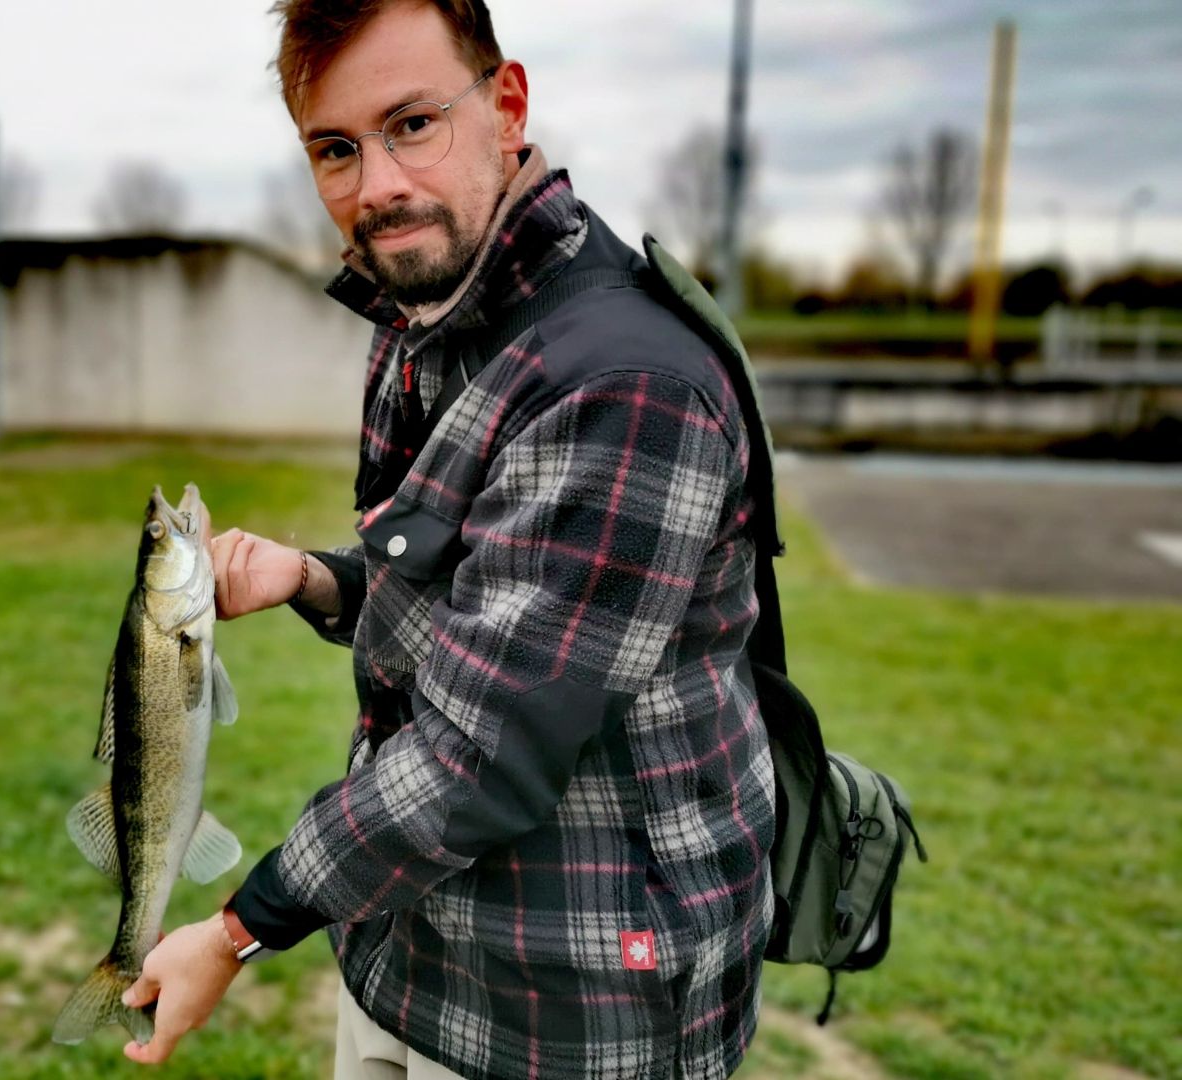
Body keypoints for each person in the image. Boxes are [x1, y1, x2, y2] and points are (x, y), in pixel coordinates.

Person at [119, 2, 776, 1077]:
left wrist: (240, 927)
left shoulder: (622, 381)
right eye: (336, 148)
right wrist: (314, 580)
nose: (376, 185)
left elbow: (481, 757)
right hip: (407, 952)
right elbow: (462, 601)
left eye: (412, 123)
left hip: (574, 1007)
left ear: (506, 107)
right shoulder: (430, 314)